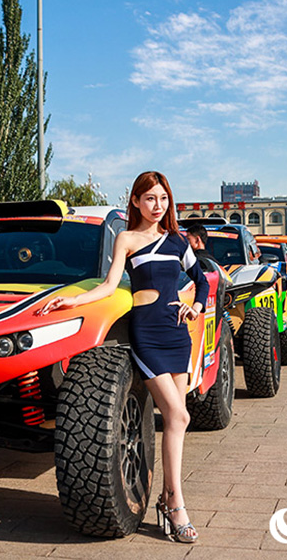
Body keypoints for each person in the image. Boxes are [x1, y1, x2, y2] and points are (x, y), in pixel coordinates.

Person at [39, 170, 207, 544]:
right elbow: (109, 285)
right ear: (135, 201)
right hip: (145, 332)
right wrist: (72, 300)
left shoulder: (179, 241)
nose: (157, 206)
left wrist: (195, 306)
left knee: (176, 421)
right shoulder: (126, 239)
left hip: (177, 334)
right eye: (150, 199)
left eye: (163, 198)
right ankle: (176, 503)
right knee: (179, 414)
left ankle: (168, 497)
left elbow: (205, 278)